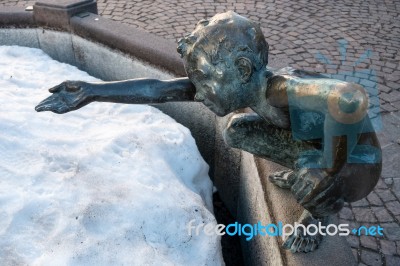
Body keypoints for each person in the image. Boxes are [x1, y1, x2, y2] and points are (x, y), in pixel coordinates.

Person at [36, 11, 381, 253]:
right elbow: (159, 89)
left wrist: (327, 168)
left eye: (204, 80)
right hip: (316, 145)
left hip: (356, 163)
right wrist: (92, 92)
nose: (198, 92)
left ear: (242, 69)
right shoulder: (247, 86)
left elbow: (349, 98)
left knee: (313, 169)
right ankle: (309, 170)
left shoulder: (283, 90)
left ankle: (320, 212)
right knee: (237, 131)